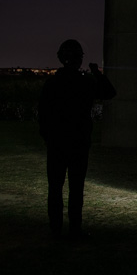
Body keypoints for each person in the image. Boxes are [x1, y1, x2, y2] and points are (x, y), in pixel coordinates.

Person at [38, 39, 116, 240]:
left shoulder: (52, 83)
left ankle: (55, 229)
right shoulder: (86, 82)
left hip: (56, 143)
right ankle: (74, 229)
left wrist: (48, 137)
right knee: (76, 188)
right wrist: (97, 73)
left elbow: (43, 114)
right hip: (79, 142)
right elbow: (109, 93)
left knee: (55, 188)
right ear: (79, 59)